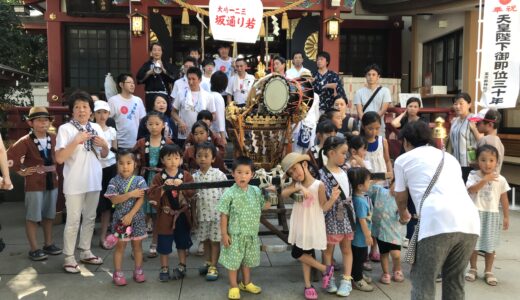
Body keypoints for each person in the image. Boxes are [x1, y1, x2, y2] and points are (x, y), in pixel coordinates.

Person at [394, 121, 480, 300]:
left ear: (407, 142)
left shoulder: (403, 160)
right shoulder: (449, 158)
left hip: (436, 222)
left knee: (423, 282)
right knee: (454, 281)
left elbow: (400, 196)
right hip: (470, 222)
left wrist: (403, 213)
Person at [56, 90, 110, 273]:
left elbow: (103, 155)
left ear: (91, 110)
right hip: (74, 182)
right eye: (77, 107)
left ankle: (85, 251)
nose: (81, 110)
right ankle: (69, 257)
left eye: (85, 107)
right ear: (71, 111)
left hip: (94, 179)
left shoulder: (95, 128)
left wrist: (104, 146)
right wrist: (76, 141)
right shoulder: (66, 129)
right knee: (72, 220)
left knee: (90, 218)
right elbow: (60, 158)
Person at [7, 107, 62, 261]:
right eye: (38, 120)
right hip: (34, 182)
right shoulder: (25, 141)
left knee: (49, 215)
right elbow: (8, 157)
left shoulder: (54, 137)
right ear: (30, 123)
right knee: (33, 216)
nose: (43, 123)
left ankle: (48, 243)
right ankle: (34, 248)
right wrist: (20, 170)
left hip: (52, 180)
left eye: (46, 120)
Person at [280, 152, 336, 300]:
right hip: (299, 222)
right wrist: (298, 188)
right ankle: (308, 285)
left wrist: (334, 199)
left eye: (295, 169)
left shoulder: (319, 185)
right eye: (290, 172)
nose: (294, 174)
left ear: (304, 165)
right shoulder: (295, 184)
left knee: (298, 253)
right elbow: (283, 193)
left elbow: (323, 207)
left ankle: (325, 270)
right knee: (305, 254)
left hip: (312, 222)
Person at [218, 156, 272, 300]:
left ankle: (246, 283)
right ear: (233, 173)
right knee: (233, 262)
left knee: (247, 261)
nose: (243, 176)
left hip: (251, 235)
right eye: (239, 172)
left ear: (252, 175)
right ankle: (233, 285)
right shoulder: (229, 193)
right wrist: (224, 234)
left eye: (247, 173)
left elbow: (265, 206)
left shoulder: (255, 190)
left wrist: (270, 193)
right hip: (235, 235)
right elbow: (223, 215)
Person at [147, 144, 195, 281]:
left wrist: (183, 186)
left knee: (182, 242)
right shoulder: (158, 177)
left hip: (181, 214)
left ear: (180, 159)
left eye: (176, 158)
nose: (173, 161)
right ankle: (164, 267)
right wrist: (163, 188)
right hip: (165, 215)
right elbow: (151, 194)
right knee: (164, 243)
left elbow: (192, 192)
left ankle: (182, 266)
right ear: (162, 160)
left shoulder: (185, 175)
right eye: (169, 158)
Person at [465, 145, 510, 286]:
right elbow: (471, 190)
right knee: (474, 244)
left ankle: (488, 271)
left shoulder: (501, 179)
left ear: (497, 162)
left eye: (491, 160)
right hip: (475, 213)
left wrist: (506, 216)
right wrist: (484, 179)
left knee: (490, 245)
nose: (487, 164)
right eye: (483, 160)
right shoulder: (473, 175)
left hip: (492, 215)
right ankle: (472, 268)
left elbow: (504, 199)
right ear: (478, 161)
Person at [133, 111, 174, 258]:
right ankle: (137, 245)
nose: (154, 127)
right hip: (144, 179)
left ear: (163, 125)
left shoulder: (168, 143)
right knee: (142, 214)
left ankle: (154, 243)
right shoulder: (141, 143)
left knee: (158, 214)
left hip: (160, 181)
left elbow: (174, 162)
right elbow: (134, 162)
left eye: (157, 124)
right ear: (146, 125)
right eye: (150, 124)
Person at [104, 150, 148, 286]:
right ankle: (118, 273)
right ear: (116, 164)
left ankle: (138, 271)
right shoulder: (114, 181)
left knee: (138, 247)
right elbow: (114, 200)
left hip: (137, 219)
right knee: (120, 247)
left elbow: (141, 199)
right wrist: (130, 194)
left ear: (135, 164)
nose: (125, 166)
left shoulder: (139, 180)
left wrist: (130, 215)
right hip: (120, 221)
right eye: (121, 163)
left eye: (129, 163)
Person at [318, 136, 355, 297]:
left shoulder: (346, 170)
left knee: (347, 249)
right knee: (328, 250)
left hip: (346, 214)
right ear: (331, 153)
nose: (345, 156)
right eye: (343, 153)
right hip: (331, 215)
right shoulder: (321, 174)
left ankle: (346, 280)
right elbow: (321, 201)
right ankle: (329, 276)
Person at [360, 111, 393, 266]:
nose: (373, 132)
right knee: (366, 218)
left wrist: (391, 176)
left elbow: (387, 160)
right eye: (370, 128)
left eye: (377, 128)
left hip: (381, 185)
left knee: (378, 217)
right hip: (365, 186)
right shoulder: (360, 142)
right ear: (363, 127)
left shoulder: (382, 141)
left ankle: (374, 248)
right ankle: (364, 251)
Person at [192, 142, 228, 281]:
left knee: (214, 241)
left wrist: (226, 214)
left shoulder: (219, 175)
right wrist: (194, 215)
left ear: (213, 158)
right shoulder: (194, 177)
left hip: (216, 215)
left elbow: (226, 195)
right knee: (205, 240)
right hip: (202, 214)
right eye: (199, 156)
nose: (202, 159)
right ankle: (207, 262)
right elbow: (193, 198)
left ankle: (214, 265)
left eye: (206, 156)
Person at [368, 180, 405, 285]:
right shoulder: (380, 191)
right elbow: (368, 188)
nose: (397, 189)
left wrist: (404, 218)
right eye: (395, 185)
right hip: (381, 231)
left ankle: (397, 270)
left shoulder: (402, 200)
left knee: (396, 254)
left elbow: (403, 217)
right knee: (383, 254)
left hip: (394, 232)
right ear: (390, 184)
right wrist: (380, 177)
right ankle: (386, 273)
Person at [93, 101, 118, 249]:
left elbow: (115, 150)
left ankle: (103, 236)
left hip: (110, 168)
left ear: (109, 114)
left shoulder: (112, 131)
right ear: (94, 114)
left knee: (108, 204)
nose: (102, 116)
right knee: (92, 203)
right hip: (94, 168)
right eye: (99, 112)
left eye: (105, 112)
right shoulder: (90, 130)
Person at [172, 66, 216, 148]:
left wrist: (207, 123)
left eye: (193, 79)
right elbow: (173, 112)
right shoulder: (181, 94)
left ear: (200, 80)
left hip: (202, 134)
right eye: (189, 79)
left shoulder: (208, 96)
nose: (191, 82)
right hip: (184, 133)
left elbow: (213, 114)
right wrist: (180, 121)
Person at [348, 167, 375, 292]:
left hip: (358, 237)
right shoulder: (359, 201)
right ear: (359, 186)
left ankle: (357, 275)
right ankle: (357, 279)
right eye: (368, 181)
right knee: (359, 258)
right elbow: (362, 220)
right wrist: (368, 236)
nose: (370, 183)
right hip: (360, 237)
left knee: (358, 258)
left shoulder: (357, 197)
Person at [108, 73, 146, 150]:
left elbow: (143, 121)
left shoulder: (138, 100)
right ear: (121, 85)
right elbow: (108, 121)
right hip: (120, 144)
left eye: (133, 83)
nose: (132, 85)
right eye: (129, 83)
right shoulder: (113, 101)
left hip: (137, 144)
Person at [448, 92, 481, 182]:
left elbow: (481, 140)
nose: (457, 106)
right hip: (455, 162)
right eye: (455, 104)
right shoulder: (454, 121)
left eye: (461, 103)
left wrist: (474, 128)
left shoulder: (475, 118)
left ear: (469, 104)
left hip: (470, 163)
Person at [136, 42, 178, 112]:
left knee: (164, 117)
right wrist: (149, 72)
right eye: (154, 50)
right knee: (151, 115)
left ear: (162, 52)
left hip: (163, 94)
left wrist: (164, 70)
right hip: (150, 95)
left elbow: (174, 78)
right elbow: (139, 78)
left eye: (159, 50)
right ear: (151, 52)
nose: (156, 52)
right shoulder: (147, 65)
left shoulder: (167, 65)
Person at [354, 64, 392, 136]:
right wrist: (367, 122)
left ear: (378, 77)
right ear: (366, 76)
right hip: (364, 125)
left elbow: (383, 109)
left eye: (374, 75)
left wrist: (373, 121)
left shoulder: (385, 91)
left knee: (379, 145)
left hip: (378, 125)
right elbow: (359, 111)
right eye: (369, 74)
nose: (371, 77)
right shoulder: (359, 92)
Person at [470, 108, 504, 173]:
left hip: (484, 178)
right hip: (495, 178)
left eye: (478, 122)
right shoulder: (499, 141)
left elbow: (479, 164)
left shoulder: (484, 140)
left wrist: (471, 157)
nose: (475, 125)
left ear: (490, 125)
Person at [210, 71, 228, 140]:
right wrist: (223, 137)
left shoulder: (209, 95)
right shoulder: (218, 97)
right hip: (217, 134)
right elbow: (220, 119)